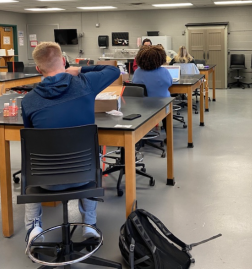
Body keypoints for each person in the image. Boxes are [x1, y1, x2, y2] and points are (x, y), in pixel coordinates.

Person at [21, 41, 120, 254]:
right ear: (64, 61)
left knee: (30, 159)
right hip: (85, 177)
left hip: (45, 182)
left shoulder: (28, 101)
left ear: (38, 69)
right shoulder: (85, 83)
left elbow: (31, 139)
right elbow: (113, 70)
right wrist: (81, 69)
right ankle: (89, 225)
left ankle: (33, 228)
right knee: (90, 154)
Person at [132, 45, 172, 132]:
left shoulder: (137, 72)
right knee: (168, 103)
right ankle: (168, 134)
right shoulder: (164, 71)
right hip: (162, 104)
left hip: (142, 105)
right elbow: (169, 83)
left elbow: (134, 84)